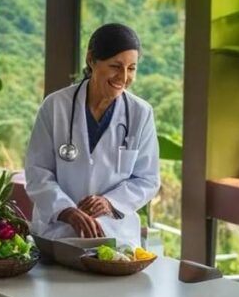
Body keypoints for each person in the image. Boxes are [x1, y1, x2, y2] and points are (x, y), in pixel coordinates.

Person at [24, 23, 160, 247]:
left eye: (132, 68)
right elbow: (37, 172)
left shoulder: (140, 113)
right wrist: (65, 210)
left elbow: (147, 179)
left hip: (115, 237)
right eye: (115, 66)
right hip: (59, 234)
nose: (123, 77)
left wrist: (110, 202)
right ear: (91, 60)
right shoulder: (55, 106)